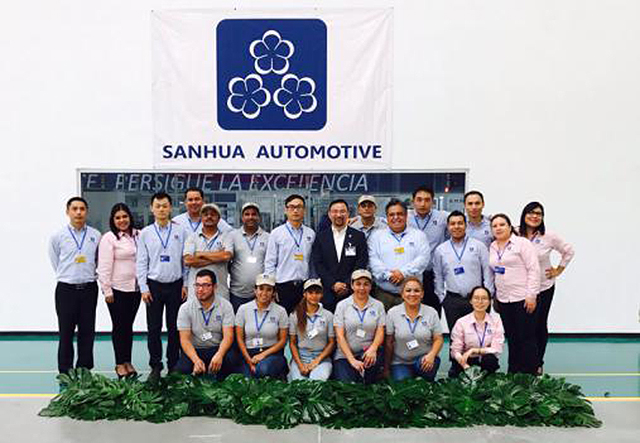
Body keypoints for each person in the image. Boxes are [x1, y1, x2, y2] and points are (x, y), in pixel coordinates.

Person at [136, 192, 189, 381]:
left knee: (175, 328)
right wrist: (143, 288)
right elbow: (141, 261)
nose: (161, 209)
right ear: (152, 208)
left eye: (165, 206)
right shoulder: (145, 233)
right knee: (154, 328)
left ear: (170, 208)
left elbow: (185, 261)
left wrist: (186, 284)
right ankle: (155, 365)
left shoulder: (181, 231)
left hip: (176, 285)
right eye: (158, 206)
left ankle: (173, 364)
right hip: (154, 286)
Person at [518, 201, 575, 374]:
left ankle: (537, 363)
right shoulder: (515, 233)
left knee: (538, 325)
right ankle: (522, 362)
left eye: (539, 213)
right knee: (522, 327)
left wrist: (558, 270)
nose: (534, 216)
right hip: (520, 289)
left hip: (543, 288)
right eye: (531, 212)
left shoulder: (549, 236)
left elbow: (569, 251)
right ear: (524, 214)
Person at [48, 197, 101, 376]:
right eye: (75, 209)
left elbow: (97, 260)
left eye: (82, 209)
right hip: (66, 290)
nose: (78, 212)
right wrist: (69, 275)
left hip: (89, 289)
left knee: (87, 331)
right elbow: (55, 260)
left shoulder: (95, 235)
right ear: (68, 211)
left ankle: (84, 369)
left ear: (87, 212)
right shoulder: (58, 236)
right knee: (66, 332)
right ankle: (65, 370)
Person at [489, 213, 541, 374]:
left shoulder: (522, 243)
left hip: (523, 298)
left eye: (502, 224)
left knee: (527, 338)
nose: (498, 228)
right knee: (512, 338)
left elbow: (534, 269)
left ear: (510, 227)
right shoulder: (493, 246)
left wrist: (532, 295)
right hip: (504, 299)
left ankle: (530, 374)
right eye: (494, 226)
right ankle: (513, 371)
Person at [97, 203, 141, 379]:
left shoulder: (138, 235)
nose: (122, 220)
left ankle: (128, 361)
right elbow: (104, 266)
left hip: (135, 289)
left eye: (124, 216)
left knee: (128, 327)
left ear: (130, 217)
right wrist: (107, 290)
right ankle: (119, 363)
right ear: (113, 220)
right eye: (118, 218)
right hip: (117, 290)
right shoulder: (109, 238)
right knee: (119, 327)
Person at [433, 210, 494, 332]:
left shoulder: (478, 246)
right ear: (448, 226)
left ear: (466, 225)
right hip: (453, 300)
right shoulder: (441, 250)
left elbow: (487, 272)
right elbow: (438, 276)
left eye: (460, 223)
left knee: (479, 335)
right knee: (456, 337)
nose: (456, 226)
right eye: (453, 224)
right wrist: (442, 298)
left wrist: (488, 295)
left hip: (477, 299)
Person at [368, 199, 430, 311]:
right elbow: (373, 261)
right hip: (383, 295)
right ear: (387, 217)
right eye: (392, 214)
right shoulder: (376, 236)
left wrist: (403, 273)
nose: (396, 217)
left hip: (412, 296)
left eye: (400, 214)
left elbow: (423, 259)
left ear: (406, 216)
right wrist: (389, 275)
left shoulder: (419, 236)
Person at [175, 269, 238, 379]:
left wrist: (219, 355)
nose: (200, 289)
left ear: (214, 287)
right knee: (182, 370)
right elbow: (184, 340)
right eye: (197, 285)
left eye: (205, 285)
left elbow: (228, 336)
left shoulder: (225, 306)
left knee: (231, 361)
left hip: (216, 348)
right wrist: (196, 360)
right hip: (196, 350)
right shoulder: (185, 308)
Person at [311, 199, 368, 312]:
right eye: (335, 211)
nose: (339, 215)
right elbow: (318, 263)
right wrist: (333, 284)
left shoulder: (358, 236)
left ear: (348, 214)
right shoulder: (321, 237)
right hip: (327, 292)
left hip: (351, 291)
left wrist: (347, 283)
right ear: (329, 214)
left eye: (342, 211)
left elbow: (361, 262)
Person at [384, 277, 443, 381]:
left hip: (424, 359)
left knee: (429, 370)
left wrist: (432, 355)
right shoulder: (392, 313)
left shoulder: (431, 312)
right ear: (402, 294)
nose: (412, 294)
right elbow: (389, 342)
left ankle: (427, 380)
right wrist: (387, 368)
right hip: (400, 362)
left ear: (422, 294)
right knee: (404, 387)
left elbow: (438, 338)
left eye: (416, 291)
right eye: (408, 290)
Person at [264, 194, 316, 313]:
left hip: (304, 286)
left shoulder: (310, 233)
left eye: (299, 207)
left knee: (303, 320)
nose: (295, 210)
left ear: (304, 210)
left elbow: (312, 262)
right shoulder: (276, 233)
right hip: (283, 286)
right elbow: (270, 263)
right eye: (292, 207)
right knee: (283, 321)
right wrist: (271, 288)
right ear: (286, 210)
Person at [333, 269, 386, 384]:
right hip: (345, 355)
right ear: (352, 285)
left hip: (368, 353)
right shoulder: (342, 305)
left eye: (366, 284)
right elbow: (340, 336)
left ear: (371, 286)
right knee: (347, 386)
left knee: (368, 385)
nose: (362, 288)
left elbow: (380, 331)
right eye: (358, 284)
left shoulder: (378, 305)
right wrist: (352, 360)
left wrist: (373, 349)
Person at [235, 274, 288, 378]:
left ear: (273, 293)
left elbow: (282, 340)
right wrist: (249, 360)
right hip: (249, 353)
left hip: (271, 353)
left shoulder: (281, 311)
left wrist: (263, 355)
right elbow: (240, 339)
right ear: (255, 290)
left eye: (269, 290)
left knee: (263, 369)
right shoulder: (243, 309)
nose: (264, 293)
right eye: (261, 288)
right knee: (246, 380)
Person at [407, 186, 448, 317]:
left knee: (433, 313)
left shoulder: (442, 218)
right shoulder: (405, 217)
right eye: (419, 200)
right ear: (413, 201)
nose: (423, 204)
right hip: (410, 274)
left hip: (432, 274)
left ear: (433, 202)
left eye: (427, 200)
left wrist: (488, 219)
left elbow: (463, 220)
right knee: (410, 312)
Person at [449, 286, 504, 377]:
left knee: (490, 359)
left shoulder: (496, 320)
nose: (480, 302)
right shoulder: (461, 322)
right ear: (471, 301)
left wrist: (474, 350)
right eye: (476, 298)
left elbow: (497, 348)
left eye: (484, 298)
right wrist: (465, 366)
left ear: (489, 301)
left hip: (486, 359)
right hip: (467, 360)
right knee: (455, 373)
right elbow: (455, 350)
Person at [288, 279, 335, 381]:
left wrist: (317, 361)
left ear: (321, 295)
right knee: (298, 383)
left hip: (321, 358)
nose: (314, 296)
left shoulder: (328, 315)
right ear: (304, 294)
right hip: (301, 357)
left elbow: (331, 342)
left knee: (316, 381)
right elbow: (292, 343)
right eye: (310, 292)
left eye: (317, 293)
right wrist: (300, 365)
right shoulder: (295, 315)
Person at [183, 203, 232, 300]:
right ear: (201, 218)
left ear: (219, 219)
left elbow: (226, 256)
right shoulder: (192, 237)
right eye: (206, 214)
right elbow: (188, 260)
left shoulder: (226, 236)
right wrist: (217, 257)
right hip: (196, 294)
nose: (209, 217)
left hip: (220, 292)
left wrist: (200, 254)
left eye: (213, 214)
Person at [227, 202, 270, 312]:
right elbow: (227, 260)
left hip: (261, 293)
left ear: (259, 217)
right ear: (242, 217)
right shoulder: (232, 236)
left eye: (254, 214)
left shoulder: (268, 237)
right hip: (237, 293)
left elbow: (271, 264)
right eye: (247, 214)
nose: (250, 217)